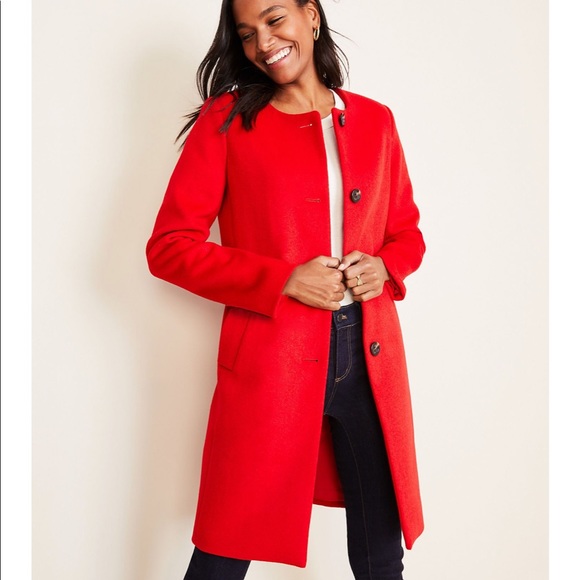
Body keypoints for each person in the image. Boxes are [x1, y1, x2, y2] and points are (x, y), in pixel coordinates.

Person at [146, 0, 426, 578]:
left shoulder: (376, 121)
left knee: (380, 553)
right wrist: (282, 279)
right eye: (247, 34)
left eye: (274, 20)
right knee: (225, 546)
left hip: (368, 355)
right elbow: (170, 246)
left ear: (311, 15)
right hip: (272, 357)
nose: (263, 43)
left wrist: (384, 267)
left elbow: (407, 233)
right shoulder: (226, 122)